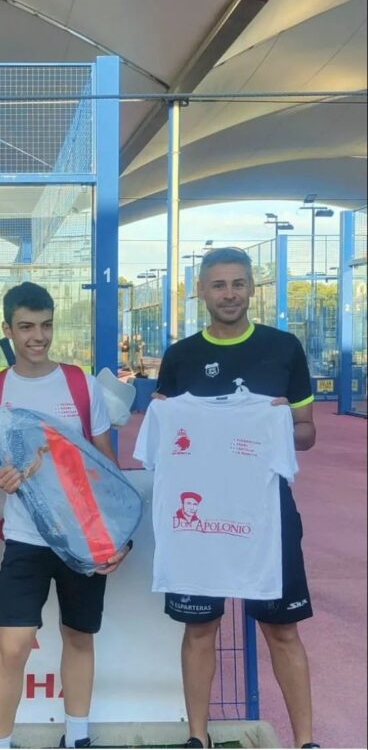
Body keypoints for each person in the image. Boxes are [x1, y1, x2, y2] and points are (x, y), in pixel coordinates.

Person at [154, 247, 319, 749]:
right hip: (199, 521)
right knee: (201, 629)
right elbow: (164, 436)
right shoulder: (180, 356)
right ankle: (197, 738)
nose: (230, 294)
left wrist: (282, 418)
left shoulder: (284, 348)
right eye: (219, 285)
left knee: (283, 630)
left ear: (253, 288)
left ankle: (306, 742)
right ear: (201, 291)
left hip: (265, 513)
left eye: (239, 284)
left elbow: (308, 433)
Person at [0, 282, 132, 750]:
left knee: (79, 637)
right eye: (26, 327)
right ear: (8, 330)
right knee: (13, 646)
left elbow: (109, 467)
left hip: (84, 537)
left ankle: (78, 738)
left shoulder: (80, 385)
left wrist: (118, 539)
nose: (37, 337)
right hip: (25, 539)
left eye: (45, 326)